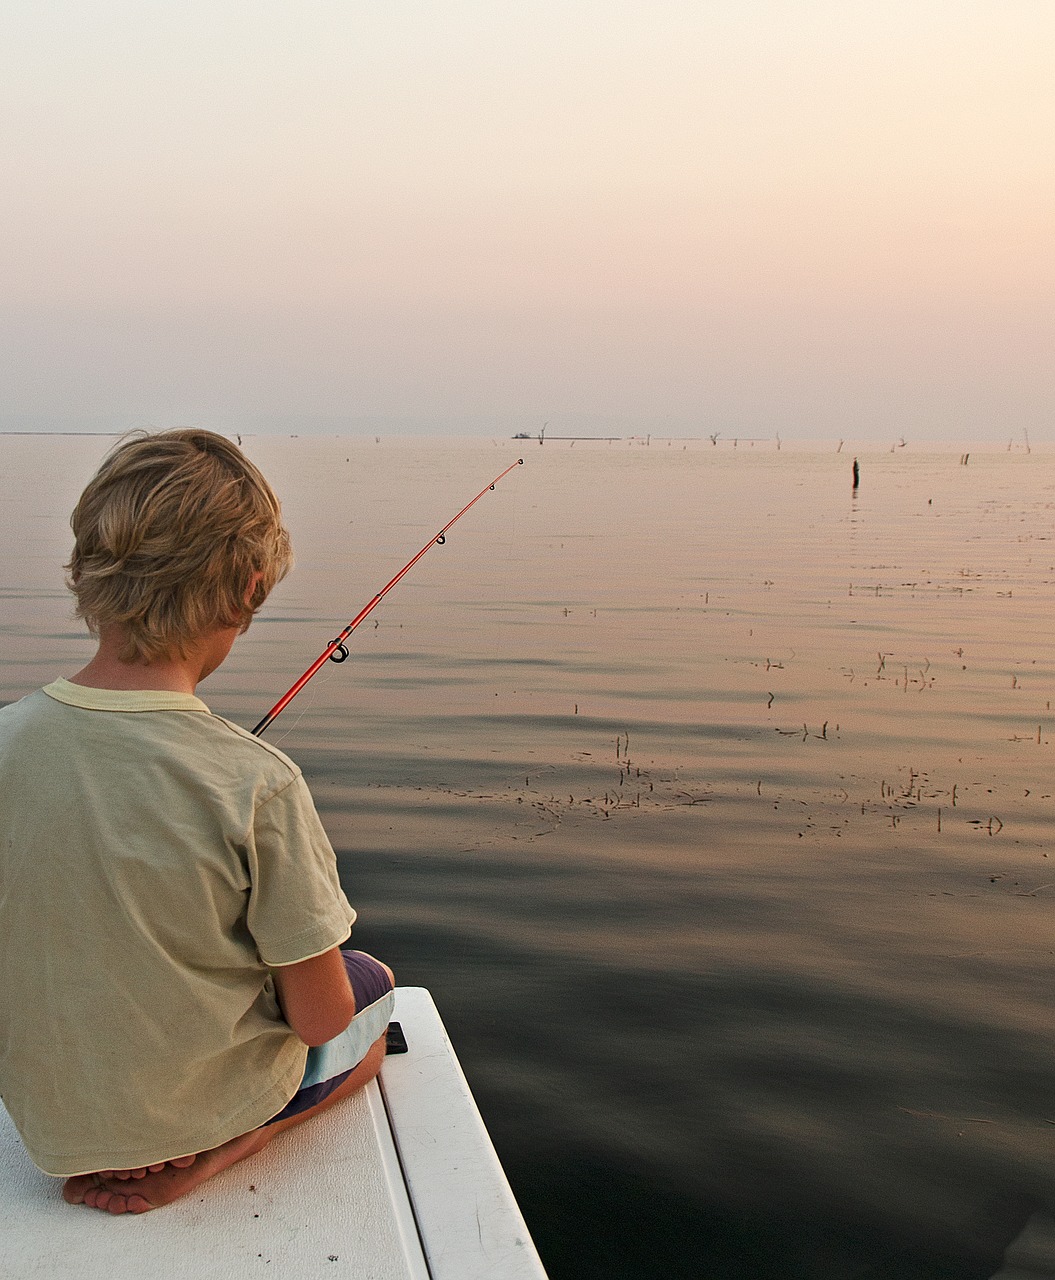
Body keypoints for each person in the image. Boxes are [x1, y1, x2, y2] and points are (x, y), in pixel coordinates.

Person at [0, 429, 394, 1215]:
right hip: (191, 1116)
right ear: (250, 589)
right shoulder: (259, 782)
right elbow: (320, 1019)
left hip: (51, 1126)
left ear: (83, 571)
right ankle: (238, 1141)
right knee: (373, 1001)